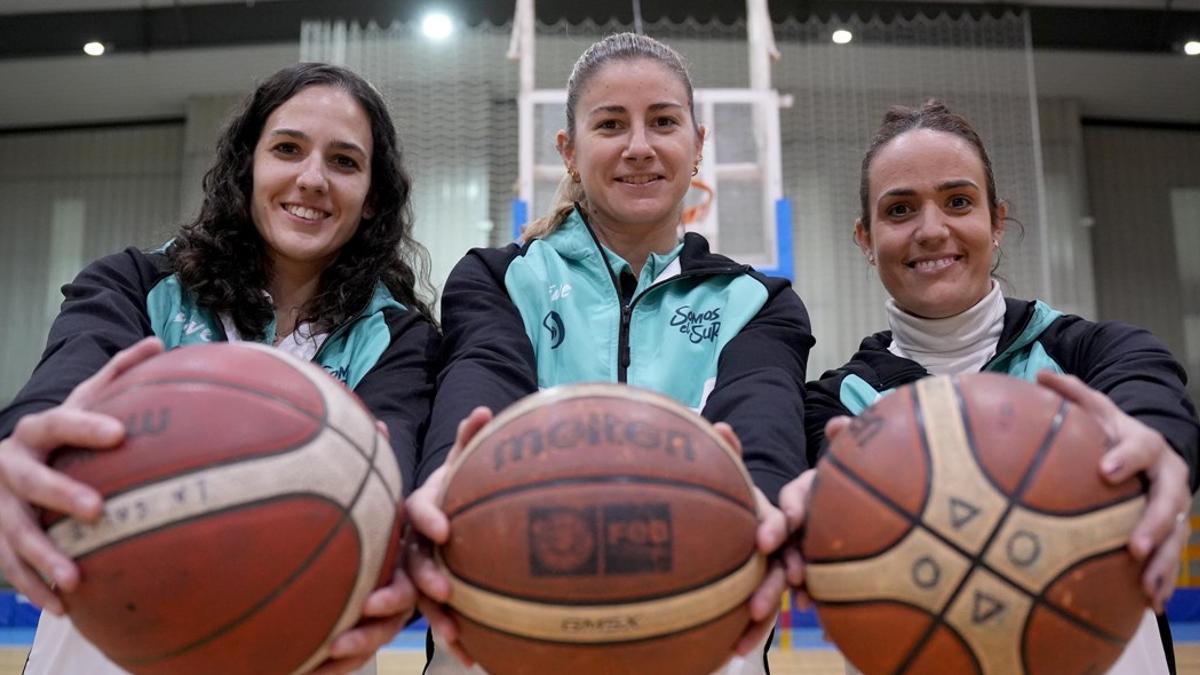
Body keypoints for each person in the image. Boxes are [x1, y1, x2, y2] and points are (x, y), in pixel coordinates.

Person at [0, 62, 440, 675]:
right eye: (287, 149)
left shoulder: (400, 337)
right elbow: (57, 393)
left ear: (371, 200)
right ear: (247, 168)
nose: (312, 179)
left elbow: (392, 472)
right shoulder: (136, 285)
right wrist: (17, 451)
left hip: (305, 642)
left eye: (344, 162)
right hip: (110, 639)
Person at [403, 32, 814, 675]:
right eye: (611, 124)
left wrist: (759, 507)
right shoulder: (498, 278)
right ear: (568, 150)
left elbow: (762, 426)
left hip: (695, 626)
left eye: (664, 122)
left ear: (699, 145)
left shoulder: (757, 301)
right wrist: (445, 487)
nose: (640, 146)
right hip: (506, 621)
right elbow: (480, 387)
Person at [779, 100, 1198, 674]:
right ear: (866, 238)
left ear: (996, 221)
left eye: (958, 202)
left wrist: (1154, 443)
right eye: (900, 210)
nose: (932, 230)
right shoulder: (834, 405)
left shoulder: (1094, 355)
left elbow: (1150, 398)